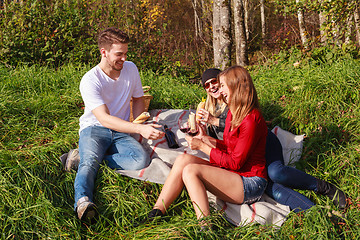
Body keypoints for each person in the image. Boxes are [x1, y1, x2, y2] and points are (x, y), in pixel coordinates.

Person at [196, 68, 347, 212]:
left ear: (232, 84)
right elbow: (229, 143)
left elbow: (243, 127)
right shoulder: (213, 106)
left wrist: (213, 121)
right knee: (269, 186)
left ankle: (323, 187)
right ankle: (315, 213)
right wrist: (204, 137)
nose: (213, 87)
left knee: (275, 172)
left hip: (265, 143)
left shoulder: (236, 106)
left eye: (217, 82)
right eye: (206, 85)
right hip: (245, 150)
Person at [143, 65, 268, 227]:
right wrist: (205, 138)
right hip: (235, 173)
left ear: (235, 85)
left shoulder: (251, 119)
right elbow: (230, 147)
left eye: (222, 85)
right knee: (183, 160)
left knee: (191, 170)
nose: (220, 91)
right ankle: (157, 211)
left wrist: (202, 146)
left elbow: (235, 162)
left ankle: (206, 226)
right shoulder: (233, 111)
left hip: (250, 183)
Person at [73, 27, 165, 222]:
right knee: (89, 163)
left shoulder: (130, 68)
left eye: (125, 53)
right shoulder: (90, 80)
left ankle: (81, 158)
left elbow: (138, 98)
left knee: (140, 160)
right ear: (103, 52)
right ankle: (83, 202)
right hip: (94, 128)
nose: (124, 58)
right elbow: (104, 118)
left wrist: (141, 121)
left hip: (122, 129)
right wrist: (138, 128)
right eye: (119, 54)